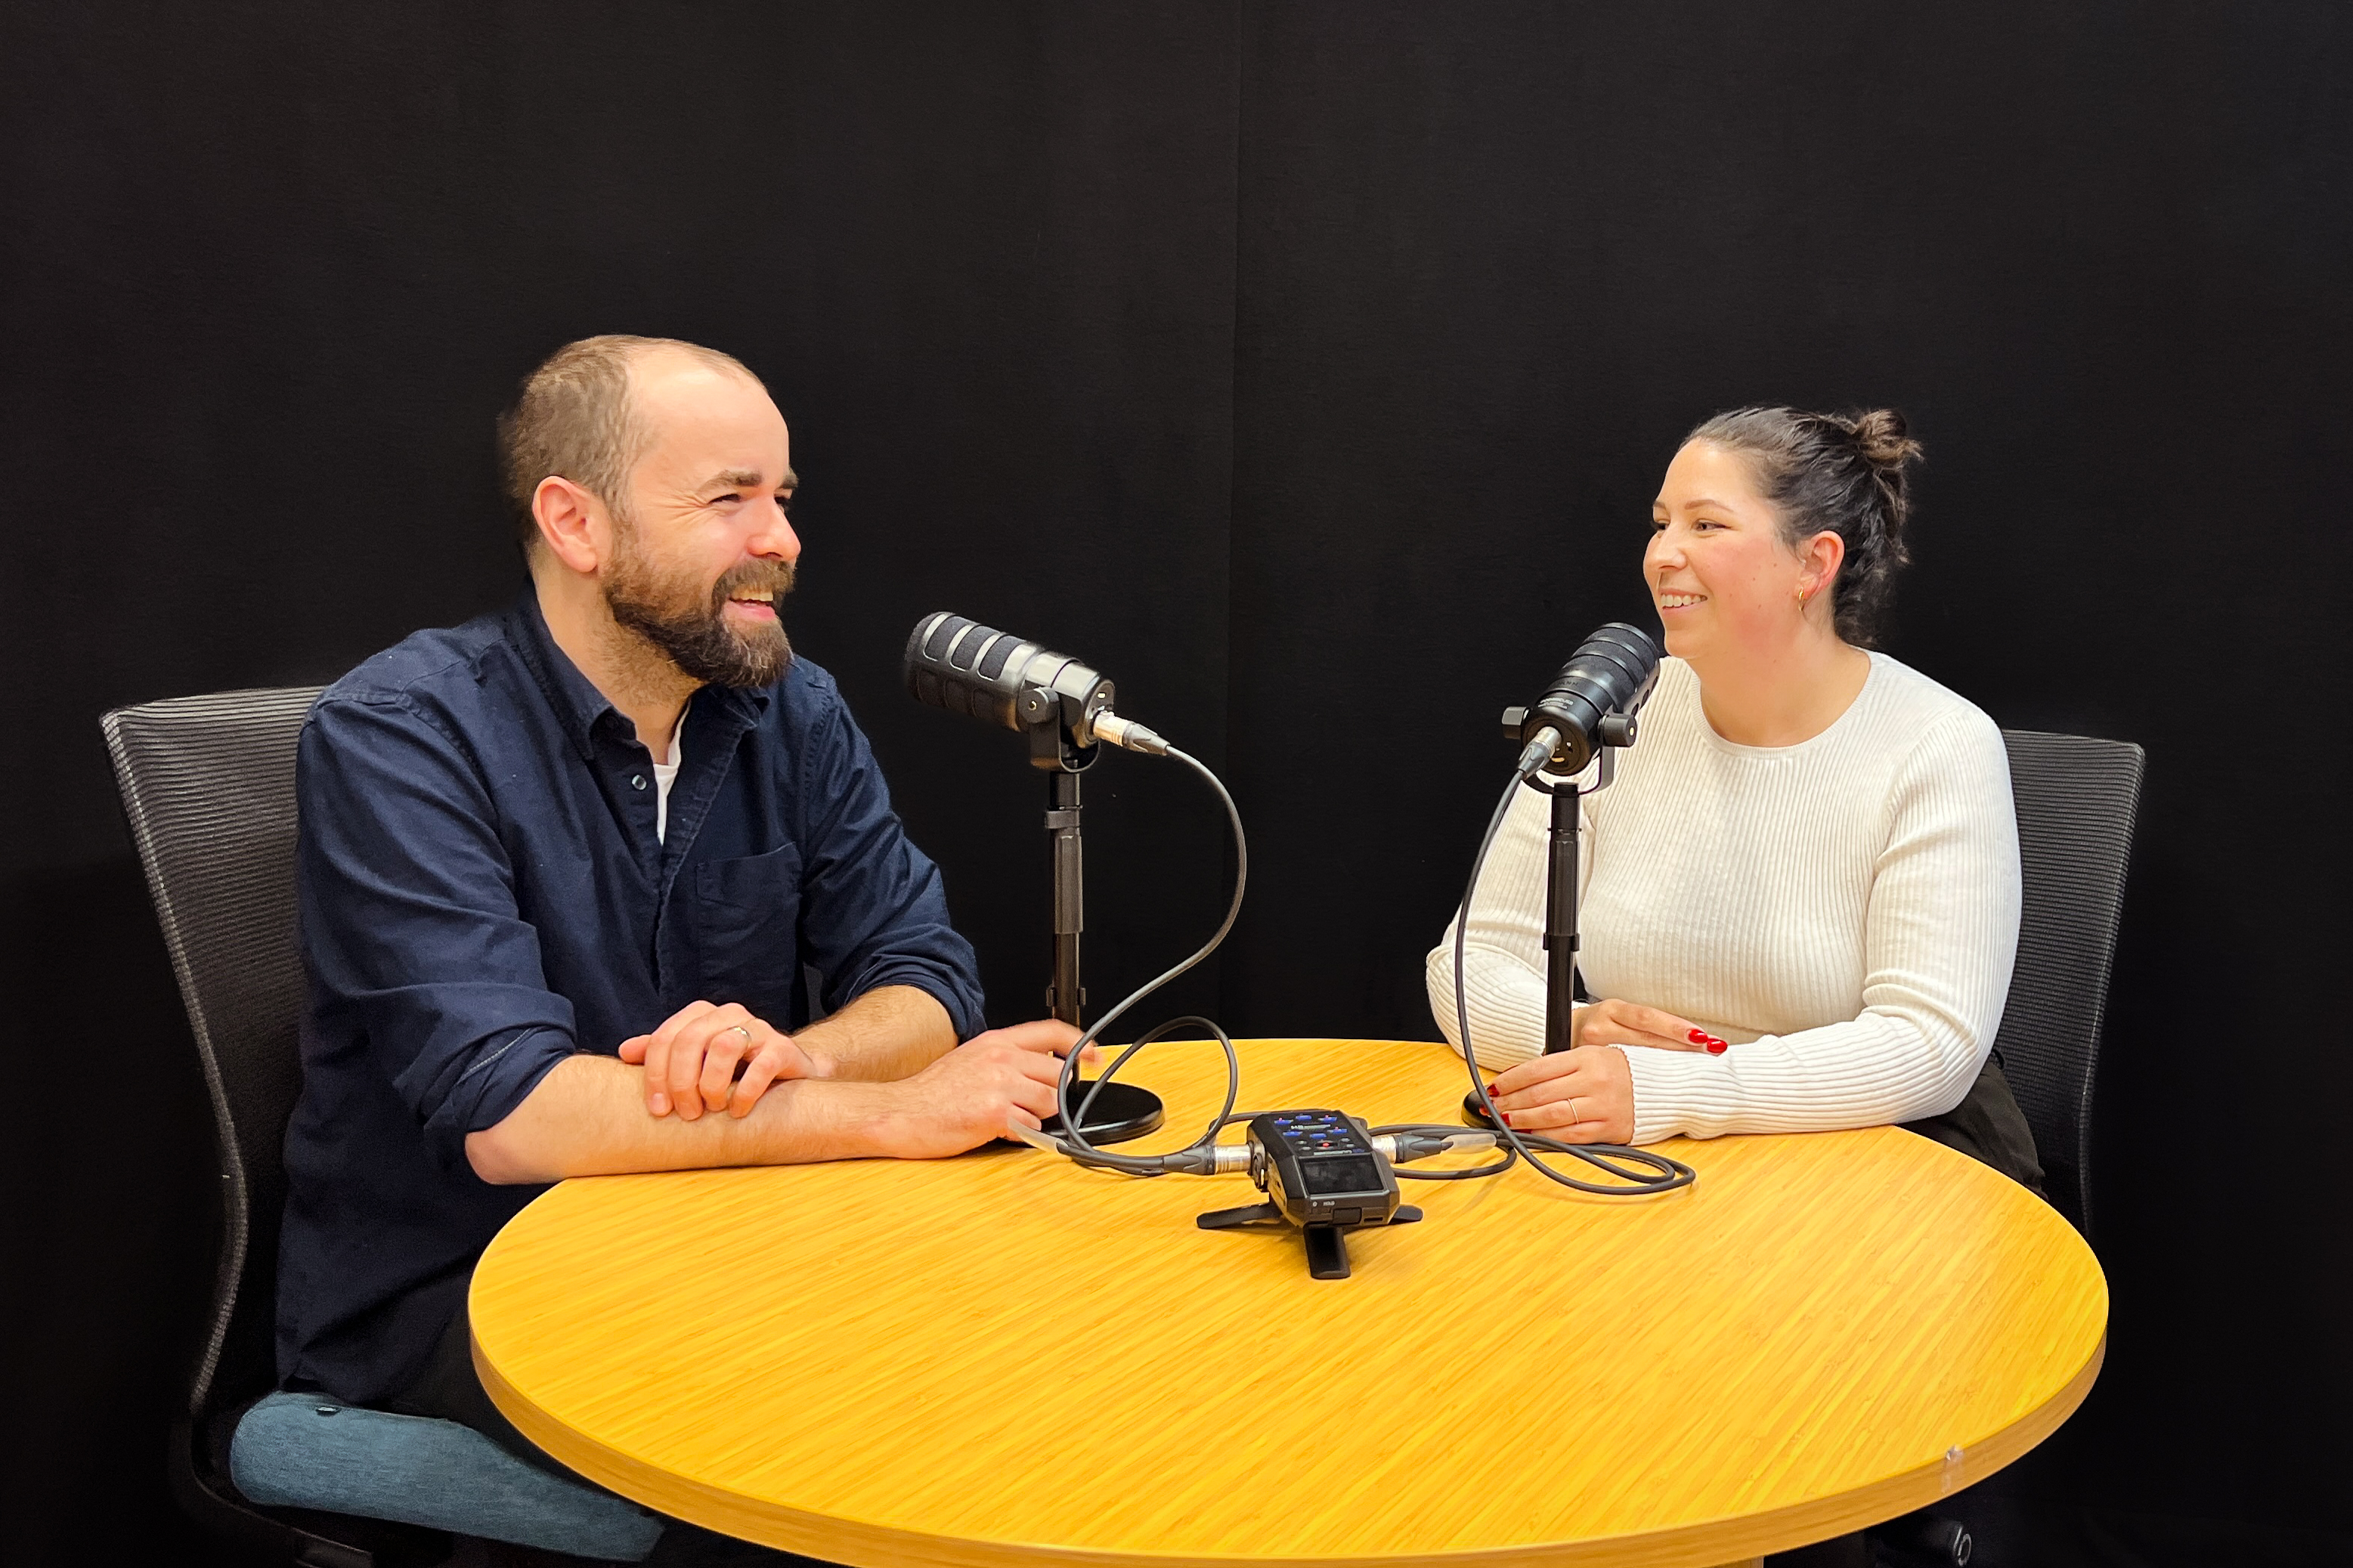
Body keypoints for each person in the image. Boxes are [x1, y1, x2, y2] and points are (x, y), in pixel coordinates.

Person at [277, 336, 1084, 1505]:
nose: (783, 539)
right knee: (845, 1459)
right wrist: (889, 1108)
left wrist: (804, 1054)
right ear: (576, 522)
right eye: (730, 498)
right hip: (459, 1293)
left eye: (784, 498)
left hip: (725, 1248)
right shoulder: (400, 734)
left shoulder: (792, 710)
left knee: (1020, 1370)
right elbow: (514, 1116)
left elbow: (923, 978)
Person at [1426, 406, 2040, 1187]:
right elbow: (1465, 962)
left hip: (1881, 1158)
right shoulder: (1621, 710)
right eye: (1659, 524)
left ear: (1811, 564)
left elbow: (1929, 1046)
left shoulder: (1938, 743)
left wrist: (1670, 1089)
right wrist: (1572, 1028)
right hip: (1653, 1145)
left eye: (1706, 526)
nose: (1662, 555)